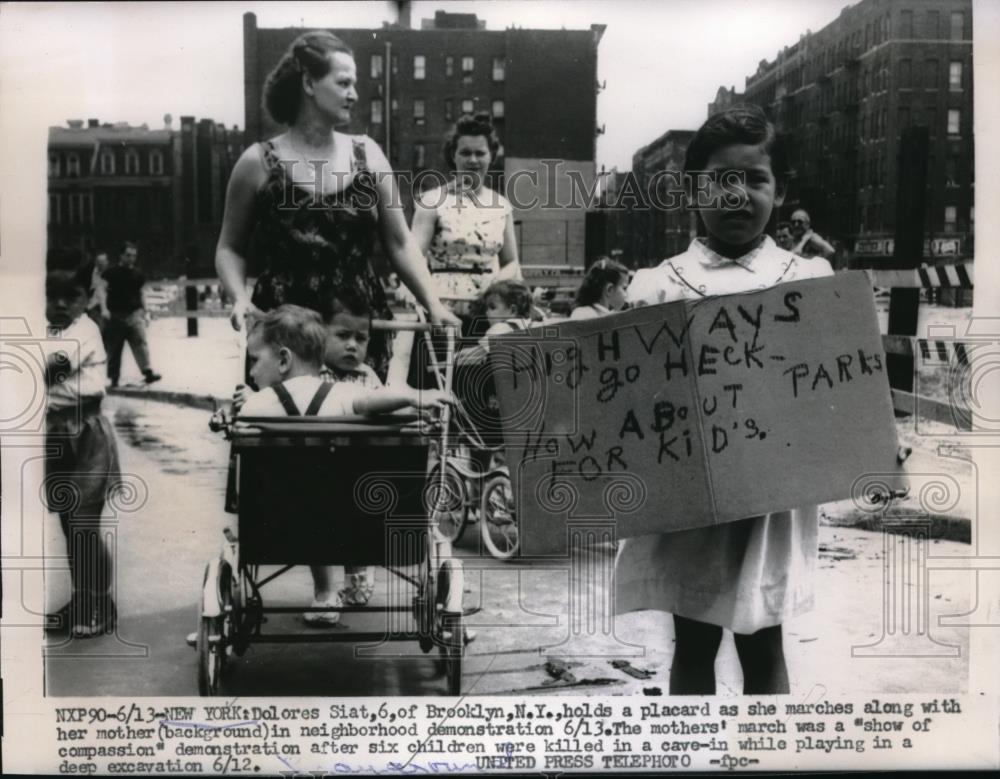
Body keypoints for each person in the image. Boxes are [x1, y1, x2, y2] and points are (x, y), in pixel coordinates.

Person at [619, 105, 834, 695]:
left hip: (772, 501)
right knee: (692, 642)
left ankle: (769, 756)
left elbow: (835, 393)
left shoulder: (808, 279)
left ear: (780, 190)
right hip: (693, 499)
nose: (738, 195)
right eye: (721, 180)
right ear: (693, 189)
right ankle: (692, 755)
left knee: (764, 640)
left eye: (756, 180)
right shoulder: (656, 284)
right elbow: (628, 398)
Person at [215, 30, 459, 384]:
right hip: (285, 331)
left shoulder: (368, 154)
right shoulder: (257, 162)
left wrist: (433, 303)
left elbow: (401, 242)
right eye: (344, 82)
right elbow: (229, 247)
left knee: (358, 426)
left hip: (353, 328)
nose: (354, 94)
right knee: (282, 432)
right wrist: (239, 297)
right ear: (309, 84)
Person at [239, 305, 450, 625]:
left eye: (255, 361)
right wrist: (412, 398)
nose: (252, 372)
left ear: (283, 360)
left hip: (283, 523)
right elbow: (372, 402)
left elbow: (243, 435)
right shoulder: (341, 393)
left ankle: (325, 590)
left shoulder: (258, 404)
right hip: (351, 518)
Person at [43, 270, 122, 637]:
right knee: (67, 521)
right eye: (52, 295)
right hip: (54, 433)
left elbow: (52, 365)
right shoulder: (45, 328)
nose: (60, 304)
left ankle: (100, 602)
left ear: (86, 297)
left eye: (70, 296)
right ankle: (82, 597)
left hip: (86, 433)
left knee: (84, 524)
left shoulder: (84, 329)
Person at [411, 112, 521, 331]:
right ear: (454, 155)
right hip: (441, 313)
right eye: (465, 153)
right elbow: (413, 255)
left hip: (487, 316)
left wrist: (497, 289)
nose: (473, 160)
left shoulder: (501, 206)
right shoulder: (432, 201)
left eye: (480, 153)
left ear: (492, 156)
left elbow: (511, 262)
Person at [103, 242, 162, 387]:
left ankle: (147, 372)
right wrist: (104, 309)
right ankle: (114, 378)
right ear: (121, 255)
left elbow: (141, 293)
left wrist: (145, 311)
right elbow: (101, 291)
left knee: (140, 342)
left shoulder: (138, 274)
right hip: (116, 314)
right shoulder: (110, 273)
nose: (131, 258)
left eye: (134, 256)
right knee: (115, 348)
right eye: (128, 255)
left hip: (134, 313)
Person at [80, 250, 110, 327]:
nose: (101, 264)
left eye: (103, 261)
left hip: (106, 303)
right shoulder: (88, 271)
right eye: (99, 262)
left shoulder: (111, 273)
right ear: (96, 262)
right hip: (90, 303)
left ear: (107, 262)